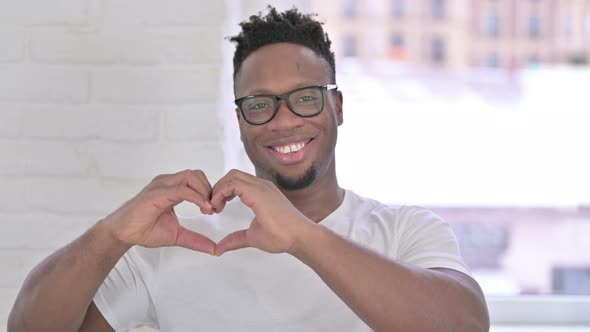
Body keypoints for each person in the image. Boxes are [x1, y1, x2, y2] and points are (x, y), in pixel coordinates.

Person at [8, 6, 489, 332]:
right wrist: (109, 235)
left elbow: (465, 324)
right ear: (240, 119)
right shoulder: (178, 241)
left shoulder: (405, 233)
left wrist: (303, 236)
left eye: (304, 99)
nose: (283, 121)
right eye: (260, 104)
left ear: (337, 106)